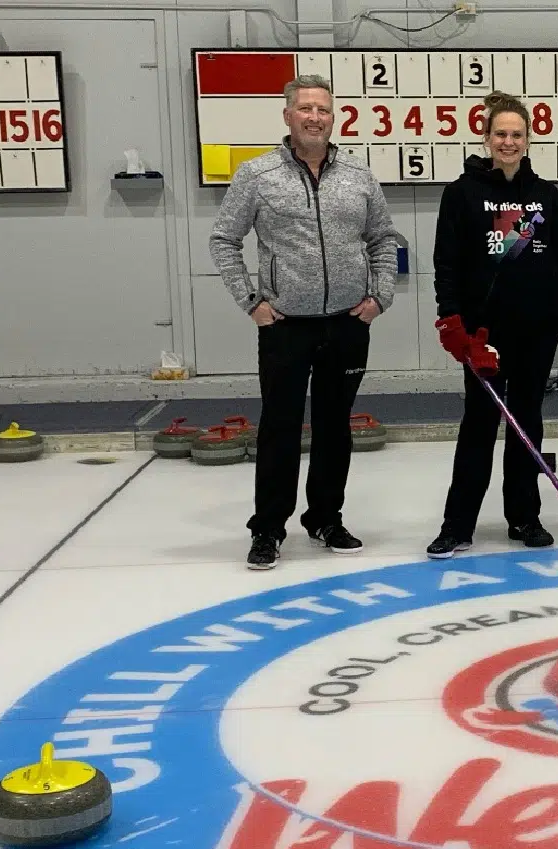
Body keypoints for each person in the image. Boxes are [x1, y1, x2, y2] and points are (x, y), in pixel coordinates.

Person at [211, 73, 399, 571]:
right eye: (306, 109)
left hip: (347, 323)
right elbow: (223, 240)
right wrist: (252, 301)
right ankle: (269, 529)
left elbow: (382, 238)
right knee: (280, 427)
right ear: (288, 115)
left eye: (323, 109)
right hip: (285, 326)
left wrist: (379, 296)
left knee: (336, 427)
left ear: (333, 117)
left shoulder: (359, 175)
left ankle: (325, 519)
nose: (315, 117)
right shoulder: (257, 174)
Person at [427, 91, 558, 558]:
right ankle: (457, 525)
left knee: (526, 425)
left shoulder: (547, 197)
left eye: (517, 135)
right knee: (478, 425)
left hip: (538, 331)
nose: (508, 142)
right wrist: (451, 322)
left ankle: (524, 517)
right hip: (483, 338)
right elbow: (447, 265)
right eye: (501, 134)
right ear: (486, 136)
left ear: (528, 140)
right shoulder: (461, 194)